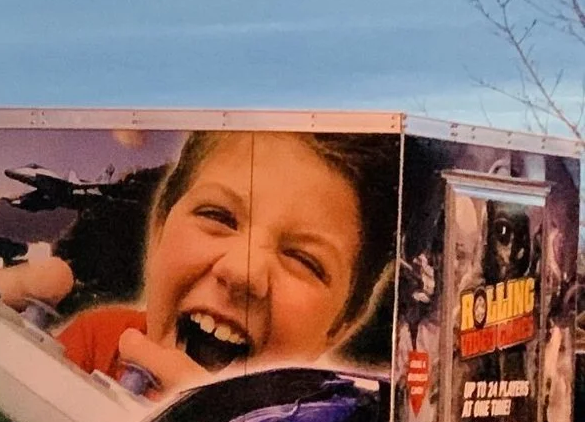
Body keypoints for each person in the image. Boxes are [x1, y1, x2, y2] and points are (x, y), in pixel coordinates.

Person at [46, 132, 399, 396]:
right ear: (159, 230)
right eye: (218, 216)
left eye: (303, 259)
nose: (243, 272)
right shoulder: (98, 342)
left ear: (340, 326)